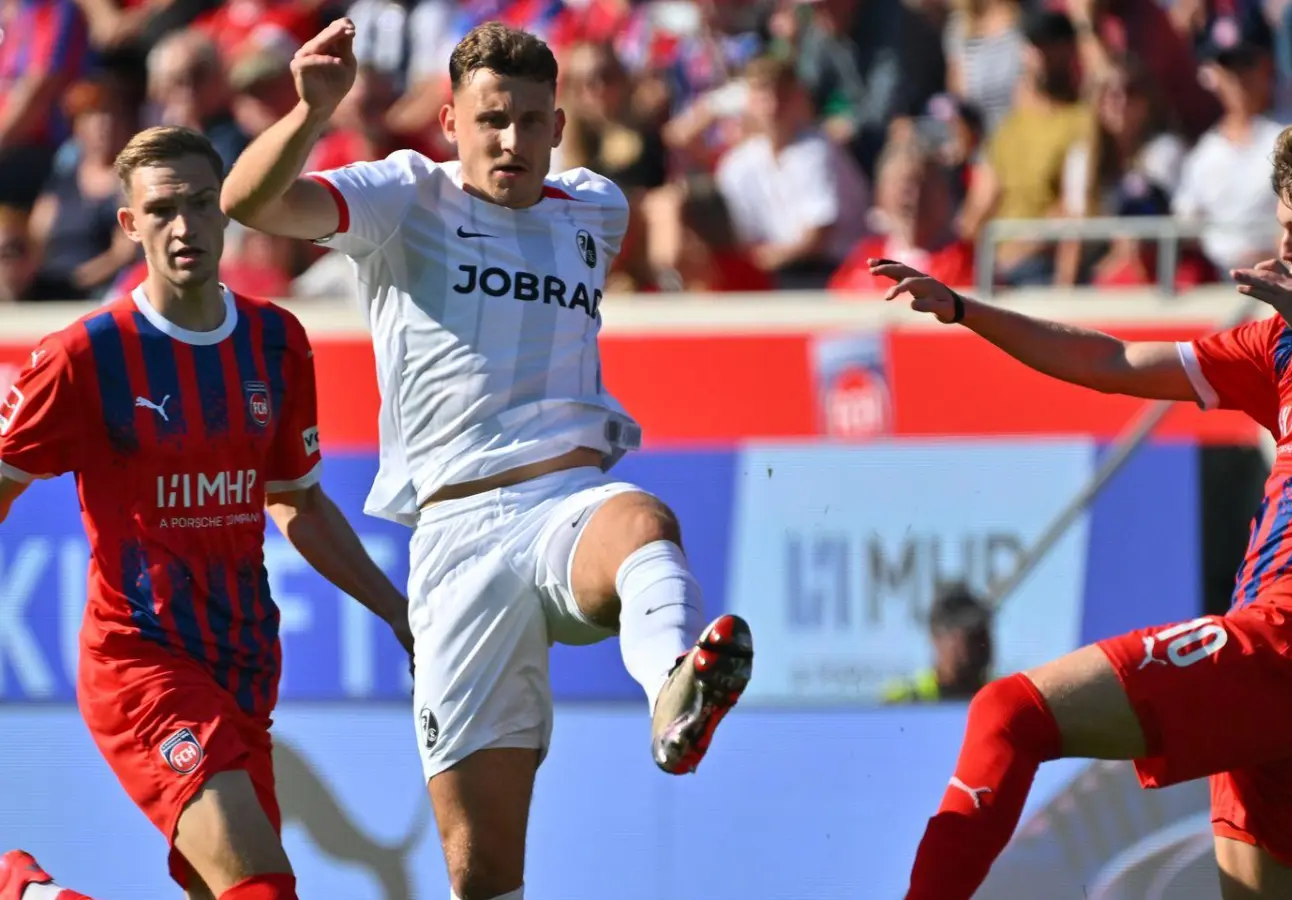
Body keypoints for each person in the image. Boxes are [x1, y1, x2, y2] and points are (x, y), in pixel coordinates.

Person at [876, 113, 1292, 900]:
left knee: (1007, 711)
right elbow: (1109, 360)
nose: (1285, 250)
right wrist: (969, 309)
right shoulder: (1283, 348)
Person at [218, 19, 755, 900]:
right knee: (482, 872)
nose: (512, 140)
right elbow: (248, 203)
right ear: (450, 122)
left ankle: (675, 691)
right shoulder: (403, 198)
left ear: (558, 126)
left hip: (565, 501)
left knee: (644, 520)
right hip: (455, 537)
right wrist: (313, 113)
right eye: (492, 120)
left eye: (532, 120)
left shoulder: (595, 208)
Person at [0, 125, 412, 900]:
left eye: (199, 204)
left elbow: (297, 501)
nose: (184, 226)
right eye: (161, 210)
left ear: (226, 212)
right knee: (262, 887)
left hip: (246, 665)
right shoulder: (84, 357)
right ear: (130, 225)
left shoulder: (276, 340)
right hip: (141, 660)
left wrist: (398, 610)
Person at [883, 583, 994, 704]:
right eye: (971, 635)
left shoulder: (1005, 699)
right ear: (937, 638)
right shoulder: (902, 703)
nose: (981, 644)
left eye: (983, 632)